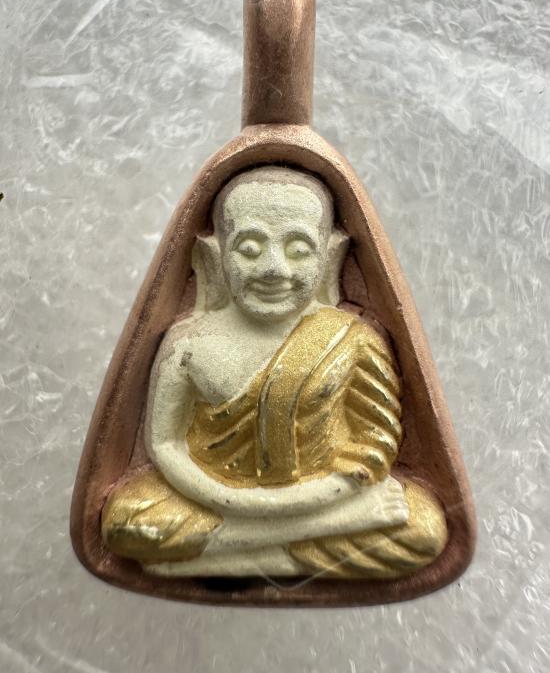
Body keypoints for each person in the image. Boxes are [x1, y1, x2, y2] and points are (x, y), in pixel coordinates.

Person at [102, 167, 447, 578]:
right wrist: (237, 500)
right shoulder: (188, 343)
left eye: (299, 249)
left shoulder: (352, 339)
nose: (274, 268)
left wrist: (316, 497)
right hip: (218, 499)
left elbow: (375, 443)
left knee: (424, 528)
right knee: (127, 522)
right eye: (249, 248)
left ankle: (220, 555)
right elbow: (164, 444)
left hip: (326, 497)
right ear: (215, 255)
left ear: (329, 256)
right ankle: (297, 539)